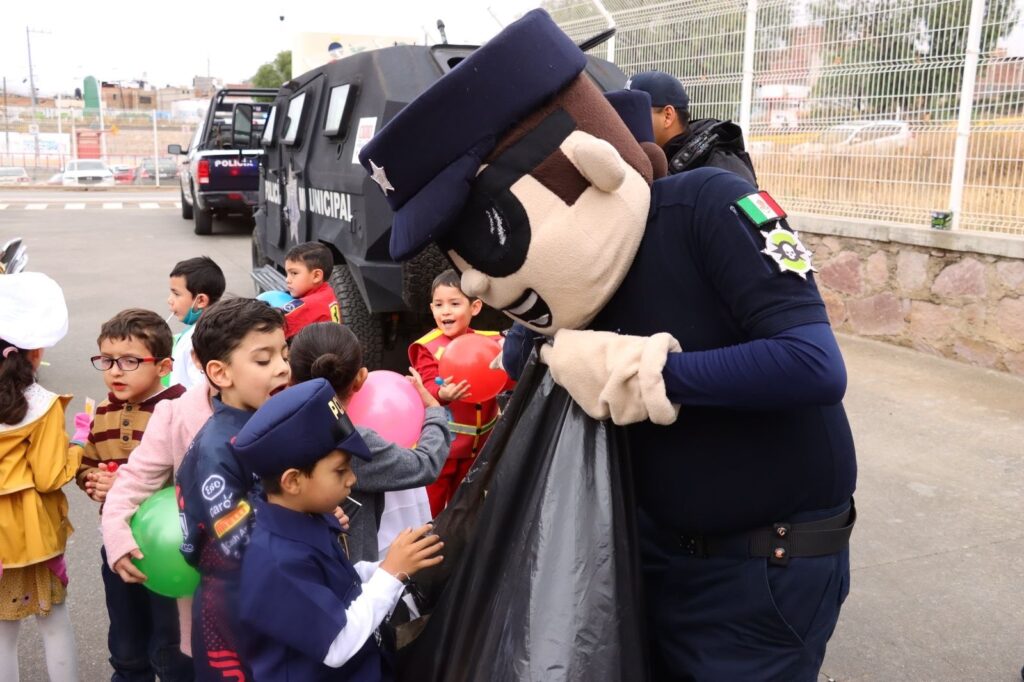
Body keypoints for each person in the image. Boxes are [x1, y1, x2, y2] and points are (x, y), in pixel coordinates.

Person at [359, 9, 855, 680]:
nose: (473, 280)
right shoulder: (573, 286)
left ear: (579, 164)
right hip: (646, 556)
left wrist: (645, 373)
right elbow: (524, 362)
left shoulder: (709, 206)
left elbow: (812, 364)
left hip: (761, 567)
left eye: (481, 237)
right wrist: (536, 342)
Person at [231, 378, 444, 681]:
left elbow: (337, 584)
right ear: (293, 481)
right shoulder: (276, 561)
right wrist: (389, 574)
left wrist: (382, 567)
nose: (352, 479)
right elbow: (336, 644)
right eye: (340, 470)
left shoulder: (309, 518)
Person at [72, 308, 194, 680]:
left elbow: (189, 476)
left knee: (171, 644)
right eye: (107, 360)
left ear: (163, 366)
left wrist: (125, 484)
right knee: (125, 639)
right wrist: (93, 478)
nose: (115, 371)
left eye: (129, 361)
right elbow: (87, 462)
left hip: (168, 550)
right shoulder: (104, 411)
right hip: (117, 542)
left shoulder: (181, 409)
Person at [175, 298, 291, 681]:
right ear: (220, 373)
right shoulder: (219, 447)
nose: (282, 367)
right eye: (264, 360)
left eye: (284, 354)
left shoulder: (267, 423)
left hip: (273, 591)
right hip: (233, 604)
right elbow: (239, 541)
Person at [289, 322, 451, 561]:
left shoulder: (282, 424)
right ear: (361, 377)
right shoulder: (352, 439)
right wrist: (435, 411)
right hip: (352, 566)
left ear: (291, 377)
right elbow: (424, 464)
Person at [0, 272, 79, 682]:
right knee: (53, 622)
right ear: (34, 353)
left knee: (2, 632)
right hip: (31, 537)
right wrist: (77, 445)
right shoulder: (43, 405)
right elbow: (50, 477)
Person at [408, 269, 509, 515]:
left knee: (466, 506)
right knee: (431, 507)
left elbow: (507, 381)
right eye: (439, 305)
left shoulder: (491, 344)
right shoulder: (428, 347)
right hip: (441, 449)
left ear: (475, 307)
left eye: (454, 304)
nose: (445, 311)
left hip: (478, 449)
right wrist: (442, 394)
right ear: (431, 308)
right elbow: (427, 385)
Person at [626, 69, 758, 186]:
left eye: (633, 114)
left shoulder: (721, 166)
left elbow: (751, 206)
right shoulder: (656, 159)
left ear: (667, 116)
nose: (625, 123)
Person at [167, 256, 226, 389]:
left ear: (200, 300)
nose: (169, 300)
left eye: (176, 294)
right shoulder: (211, 327)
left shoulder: (198, 340)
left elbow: (201, 388)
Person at [282, 242, 341, 340]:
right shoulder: (328, 292)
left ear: (316, 276)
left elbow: (274, 328)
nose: (287, 280)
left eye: (294, 273)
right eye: (287, 273)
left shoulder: (306, 305)